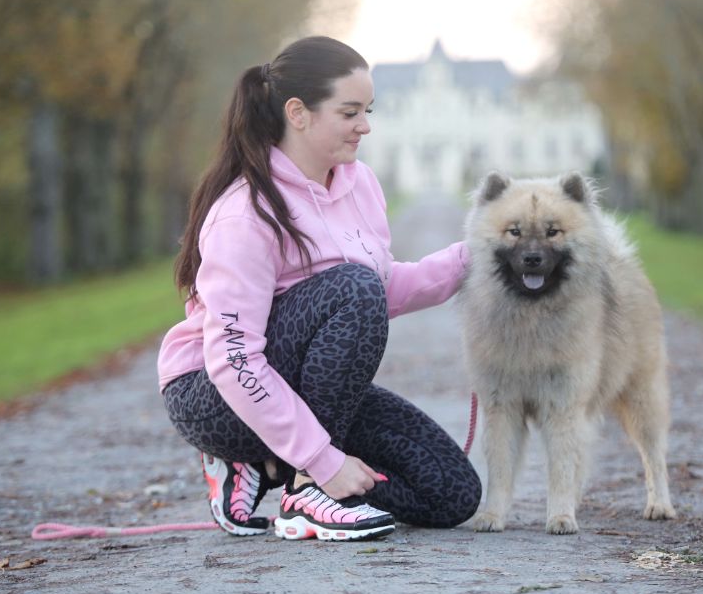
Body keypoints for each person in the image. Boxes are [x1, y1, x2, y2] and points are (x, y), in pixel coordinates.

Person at [157, 36, 481, 542]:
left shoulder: (360, 183)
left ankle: (268, 468)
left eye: (368, 110)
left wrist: (478, 253)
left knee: (451, 493)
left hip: (308, 390)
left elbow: (382, 288)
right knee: (352, 289)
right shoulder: (246, 212)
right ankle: (307, 491)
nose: (366, 125)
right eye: (350, 112)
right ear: (298, 113)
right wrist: (323, 461)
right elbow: (232, 358)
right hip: (214, 395)